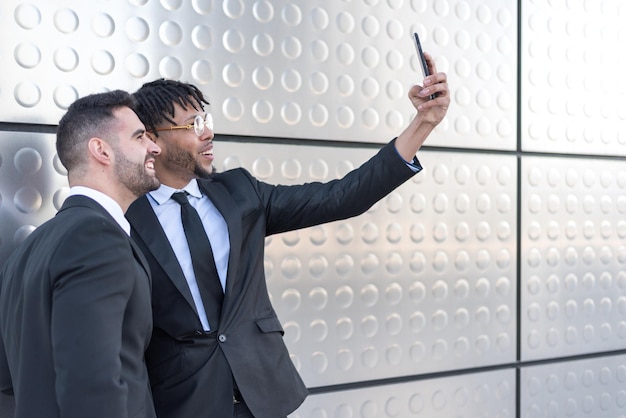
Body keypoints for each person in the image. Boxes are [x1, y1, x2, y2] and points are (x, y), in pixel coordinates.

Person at [126, 52, 450, 418]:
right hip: (182, 403)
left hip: (261, 395)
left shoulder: (240, 192)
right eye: (192, 124)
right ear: (151, 139)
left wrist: (422, 124)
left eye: (206, 118)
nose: (208, 131)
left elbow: (343, 196)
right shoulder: (125, 216)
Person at [0, 90, 161, 418]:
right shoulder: (98, 238)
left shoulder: (28, 250)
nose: (154, 146)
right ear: (101, 150)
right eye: (140, 136)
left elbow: (8, 376)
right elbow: (92, 386)